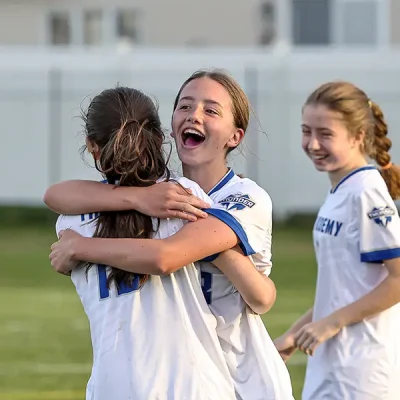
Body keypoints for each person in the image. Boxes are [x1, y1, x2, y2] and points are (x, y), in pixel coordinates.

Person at [47, 70, 294, 399]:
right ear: (166, 128)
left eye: (211, 110)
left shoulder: (244, 198)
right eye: (186, 106)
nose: (194, 115)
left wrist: (81, 247)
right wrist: (139, 198)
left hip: (244, 375)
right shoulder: (160, 196)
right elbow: (55, 195)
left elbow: (259, 296)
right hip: (188, 375)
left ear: (235, 136)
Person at [274, 81, 400, 400]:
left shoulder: (366, 193)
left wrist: (331, 323)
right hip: (332, 365)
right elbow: (341, 290)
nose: (313, 144)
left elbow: (398, 279)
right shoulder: (341, 190)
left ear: (358, 136)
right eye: (307, 131)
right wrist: (293, 335)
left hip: (362, 373)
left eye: (325, 134)